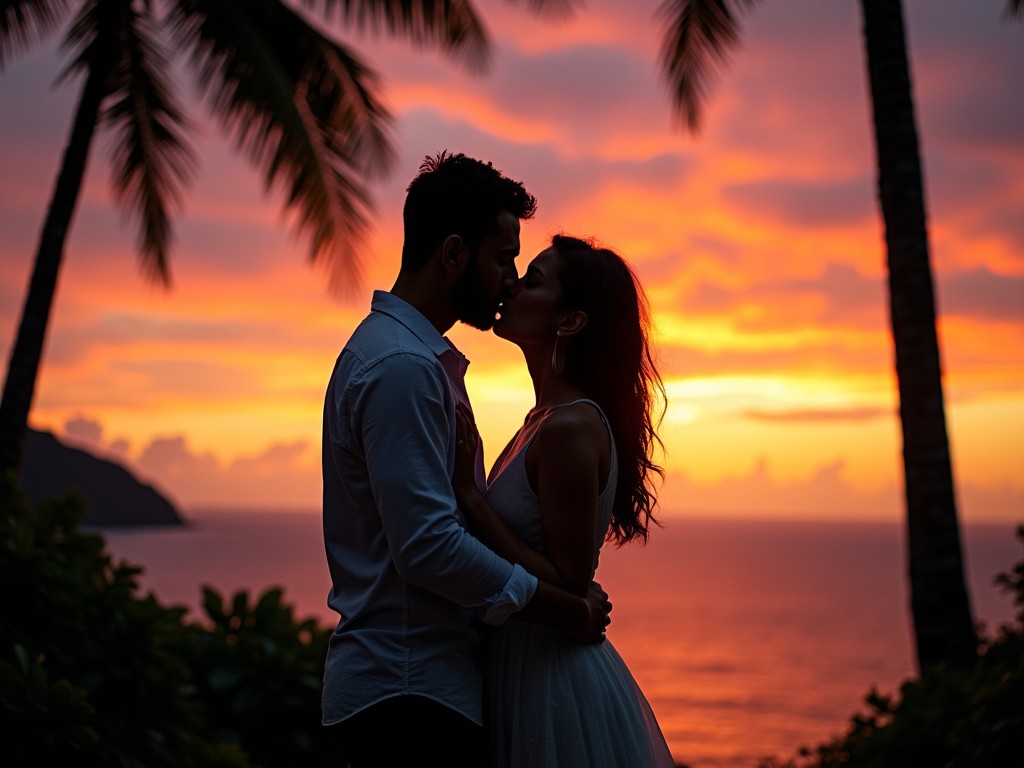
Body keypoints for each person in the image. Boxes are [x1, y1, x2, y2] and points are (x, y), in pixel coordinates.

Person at [321, 153, 612, 768]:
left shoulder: (417, 363)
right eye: (504, 258)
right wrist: (564, 607)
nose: (510, 279)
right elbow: (427, 547)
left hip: (423, 688)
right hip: (407, 690)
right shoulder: (402, 369)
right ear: (454, 255)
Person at [452, 234, 676, 767]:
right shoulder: (544, 421)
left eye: (532, 281)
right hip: (528, 662)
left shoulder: (570, 426)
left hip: (550, 677)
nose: (510, 285)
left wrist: (472, 501)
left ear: (569, 321)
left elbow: (570, 579)